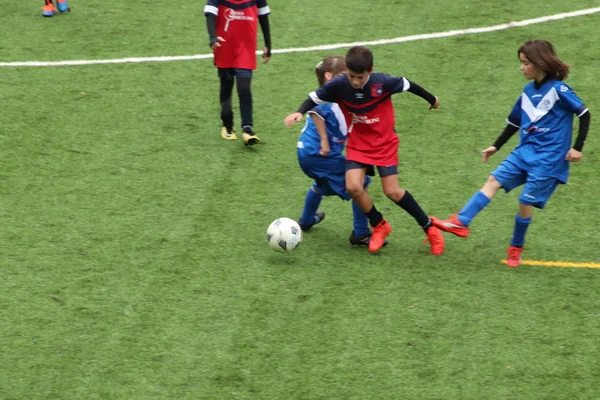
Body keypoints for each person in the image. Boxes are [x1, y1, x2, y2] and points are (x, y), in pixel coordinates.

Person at [433, 39, 591, 267]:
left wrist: (577, 148)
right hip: (524, 152)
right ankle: (462, 221)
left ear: (540, 63)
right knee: (493, 180)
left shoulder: (559, 90)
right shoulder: (527, 91)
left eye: (526, 63)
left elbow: (584, 114)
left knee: (525, 201)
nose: (521, 67)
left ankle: (516, 247)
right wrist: (495, 146)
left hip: (549, 159)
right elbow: (514, 122)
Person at [285, 46, 445, 254]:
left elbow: (408, 84)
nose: (355, 81)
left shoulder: (383, 82)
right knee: (354, 187)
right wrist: (299, 112)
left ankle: (429, 228)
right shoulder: (339, 85)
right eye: (351, 76)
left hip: (384, 142)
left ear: (370, 71)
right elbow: (314, 98)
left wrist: (432, 99)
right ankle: (379, 225)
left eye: (360, 77)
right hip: (359, 143)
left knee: (392, 192)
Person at [297, 55, 384, 247]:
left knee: (321, 185)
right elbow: (316, 112)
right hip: (317, 154)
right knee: (361, 183)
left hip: (306, 154)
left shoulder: (333, 96)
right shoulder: (332, 98)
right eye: (345, 74)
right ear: (330, 76)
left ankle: (306, 221)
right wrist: (325, 141)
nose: (350, 80)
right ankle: (361, 233)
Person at [204, 0, 272, 146]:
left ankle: (247, 129)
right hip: (224, 45)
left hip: (246, 47)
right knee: (227, 84)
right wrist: (212, 37)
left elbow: (263, 16)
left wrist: (268, 44)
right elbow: (210, 13)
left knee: (244, 87)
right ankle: (227, 123)